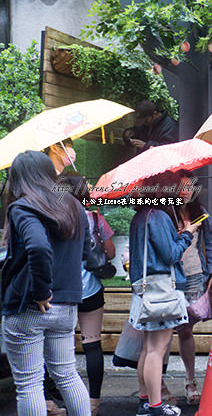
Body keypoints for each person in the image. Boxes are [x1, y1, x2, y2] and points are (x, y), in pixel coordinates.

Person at [1, 150, 91, 416]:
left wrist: (42, 291)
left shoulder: (23, 206)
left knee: (29, 384)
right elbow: (84, 252)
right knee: (67, 375)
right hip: (67, 306)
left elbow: (39, 248)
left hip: (30, 305)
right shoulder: (74, 205)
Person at [128, 171, 201, 416]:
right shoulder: (158, 216)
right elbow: (171, 255)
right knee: (156, 351)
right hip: (162, 290)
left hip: (146, 289)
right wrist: (187, 235)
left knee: (148, 349)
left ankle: (145, 401)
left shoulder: (140, 216)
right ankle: (156, 407)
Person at [57, 172, 116, 416]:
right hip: (90, 288)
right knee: (92, 345)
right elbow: (110, 253)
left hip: (63, 290)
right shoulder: (93, 217)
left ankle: (59, 400)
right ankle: (93, 402)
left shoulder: (54, 218)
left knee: (60, 348)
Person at [174, 170, 212, 404]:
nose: (186, 192)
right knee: (160, 334)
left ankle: (190, 381)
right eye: (181, 187)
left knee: (185, 330)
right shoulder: (164, 214)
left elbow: (209, 246)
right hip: (169, 280)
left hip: (194, 277)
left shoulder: (201, 215)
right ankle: (158, 384)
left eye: (189, 187)